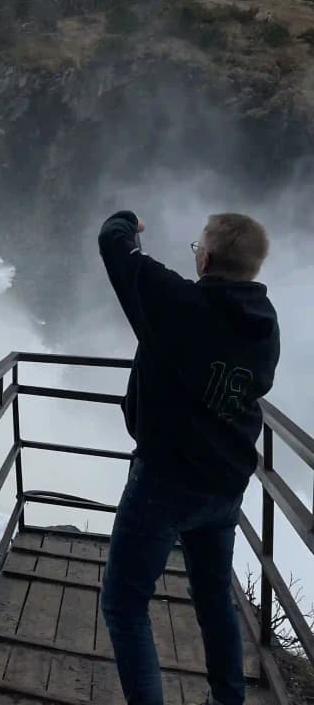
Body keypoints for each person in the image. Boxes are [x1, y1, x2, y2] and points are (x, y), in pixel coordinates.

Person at [98, 210, 280, 705]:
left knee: (123, 603)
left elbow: (114, 245)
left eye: (198, 246)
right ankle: (228, 700)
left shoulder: (179, 304)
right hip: (225, 483)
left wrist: (130, 221)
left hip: (165, 481)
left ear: (205, 258)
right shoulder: (264, 323)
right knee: (214, 600)